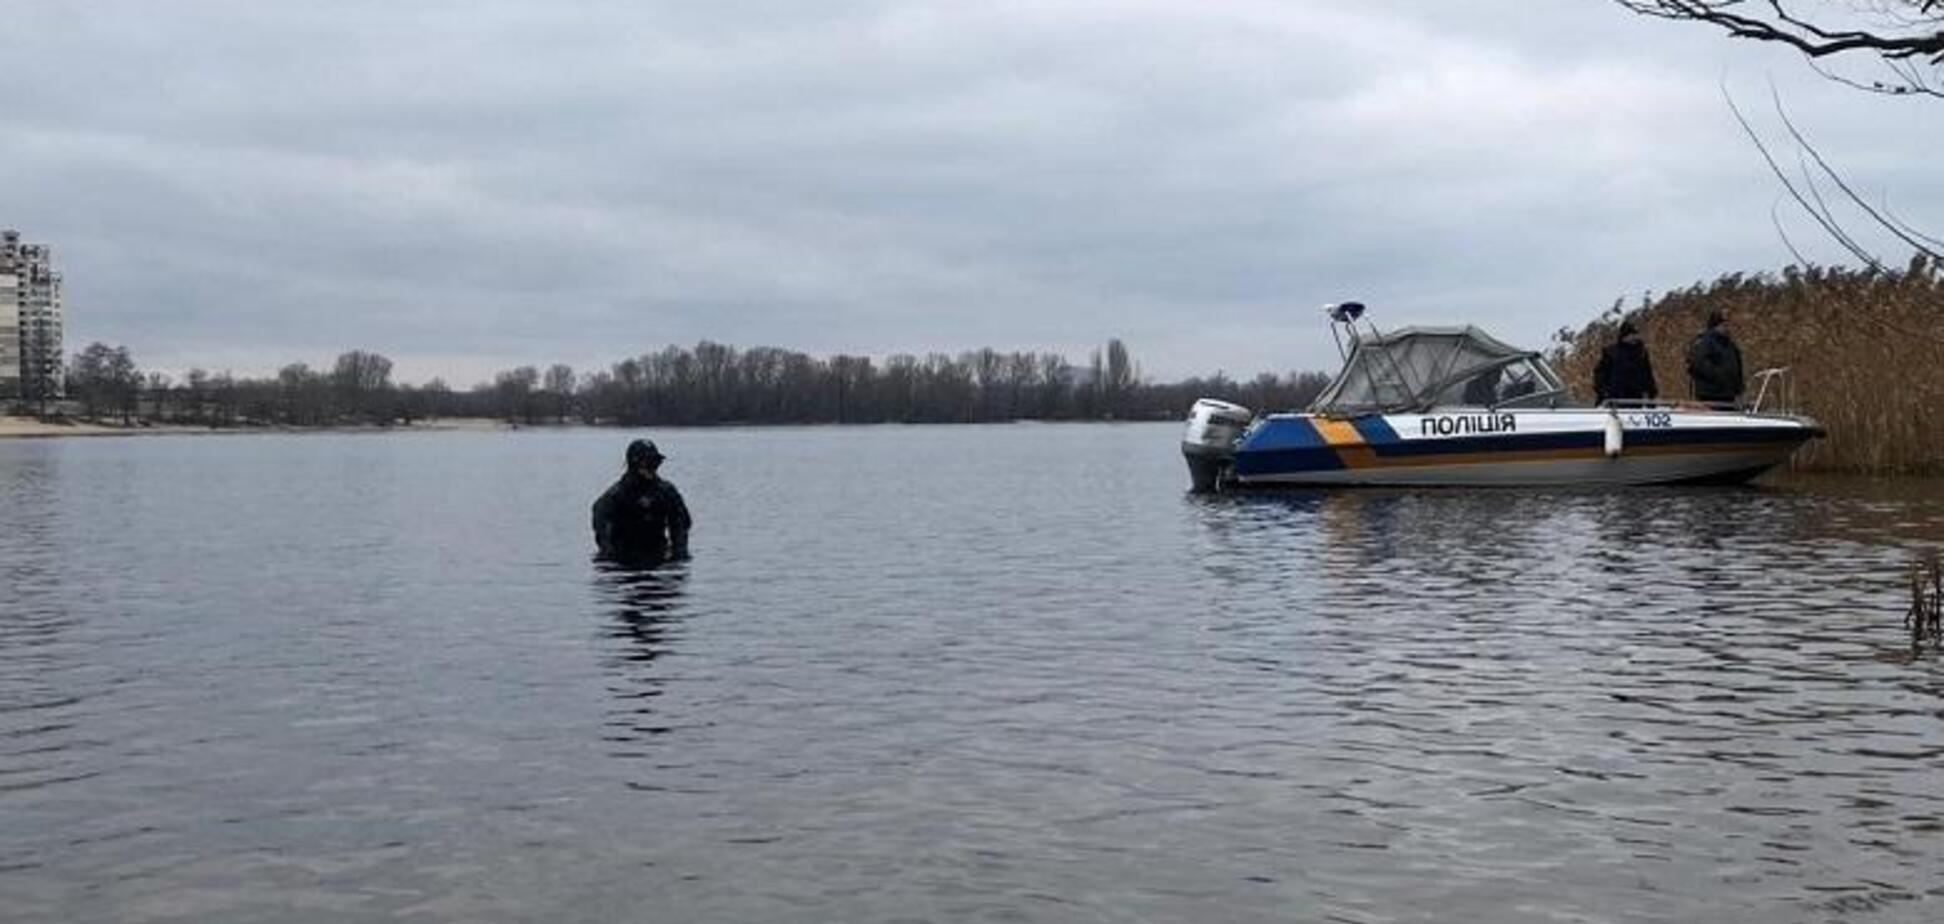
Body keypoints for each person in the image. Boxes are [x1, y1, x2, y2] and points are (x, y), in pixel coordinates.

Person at [591, 439, 691, 562]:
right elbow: (600, 522)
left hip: (658, 555)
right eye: (647, 463)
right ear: (634, 463)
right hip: (622, 559)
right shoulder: (616, 495)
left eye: (655, 463)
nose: (652, 468)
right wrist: (609, 553)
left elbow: (681, 524)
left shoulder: (666, 492)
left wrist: (678, 554)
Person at [1592, 319, 1659, 406]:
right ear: (1624, 336)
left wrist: (1651, 393)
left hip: (1636, 398)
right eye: (1631, 334)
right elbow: (1599, 374)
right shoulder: (1611, 352)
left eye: (1635, 334)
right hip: (1615, 398)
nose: (1634, 337)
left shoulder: (1641, 352)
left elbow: (1647, 374)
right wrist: (1603, 392)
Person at [1684, 309, 1744, 405]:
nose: (1729, 327)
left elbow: (1738, 366)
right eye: (1725, 323)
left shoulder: (1730, 345)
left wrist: (1739, 388)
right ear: (1717, 325)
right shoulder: (1705, 342)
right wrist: (1720, 376)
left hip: (1728, 395)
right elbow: (1699, 364)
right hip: (1710, 396)